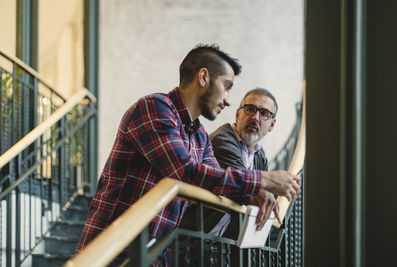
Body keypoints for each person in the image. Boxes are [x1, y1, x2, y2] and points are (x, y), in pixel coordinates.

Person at [76, 44, 301, 265]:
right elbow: (184, 172)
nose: (228, 100)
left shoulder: (200, 135)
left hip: (153, 255)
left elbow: (215, 178)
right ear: (203, 77)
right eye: (227, 86)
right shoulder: (155, 107)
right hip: (112, 253)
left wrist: (254, 194)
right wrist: (263, 180)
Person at [205, 87, 279, 237]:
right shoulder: (223, 140)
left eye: (264, 114)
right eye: (250, 109)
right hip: (193, 238)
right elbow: (245, 185)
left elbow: (265, 195)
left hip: (219, 242)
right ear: (238, 114)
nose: (255, 118)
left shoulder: (259, 155)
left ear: (272, 125)